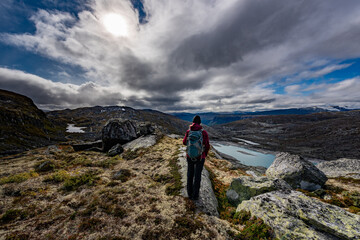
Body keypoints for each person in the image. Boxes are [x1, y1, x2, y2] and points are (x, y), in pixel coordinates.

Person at [183, 115, 210, 200]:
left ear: (193, 122)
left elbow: (184, 142)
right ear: (200, 122)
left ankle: (189, 193)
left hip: (190, 156)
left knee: (190, 174)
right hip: (200, 157)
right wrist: (204, 154)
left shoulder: (189, 131)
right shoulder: (203, 132)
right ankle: (195, 195)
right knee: (197, 176)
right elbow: (207, 145)